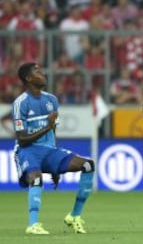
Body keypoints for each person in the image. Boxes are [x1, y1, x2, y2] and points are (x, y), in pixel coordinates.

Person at [12, 62, 94, 234]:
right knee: (36, 179)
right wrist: (47, 127)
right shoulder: (21, 103)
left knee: (88, 165)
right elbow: (22, 139)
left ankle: (74, 216)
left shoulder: (52, 100)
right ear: (28, 78)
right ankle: (33, 224)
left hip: (49, 150)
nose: (42, 73)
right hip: (28, 151)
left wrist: (55, 167)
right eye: (37, 71)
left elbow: (53, 131)